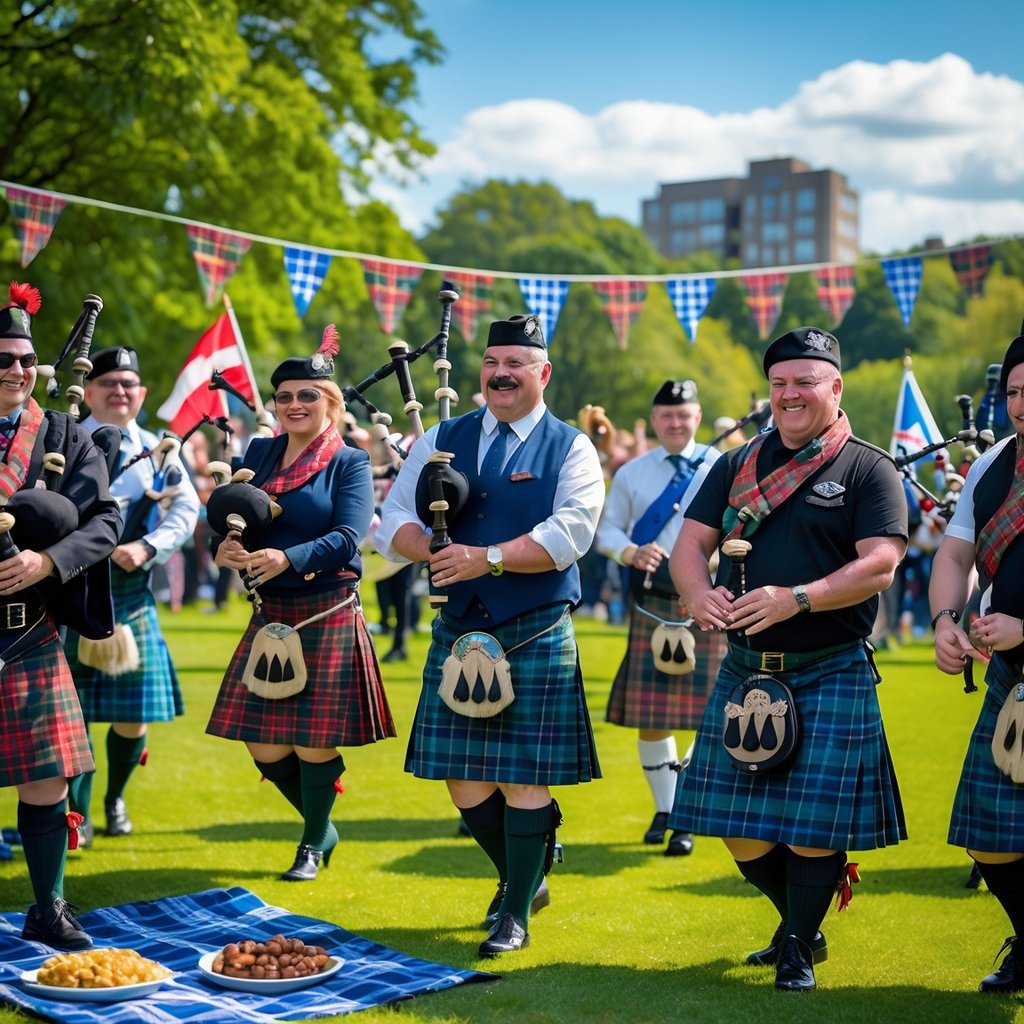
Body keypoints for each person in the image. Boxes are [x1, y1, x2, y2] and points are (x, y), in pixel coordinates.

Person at [668, 326, 908, 992]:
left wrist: (796, 598)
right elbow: (690, 546)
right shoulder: (737, 464)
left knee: (813, 825)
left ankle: (797, 945)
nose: (790, 395)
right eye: (779, 384)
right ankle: (800, 922)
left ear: (835, 387)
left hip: (830, 663)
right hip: (747, 668)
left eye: (805, 382)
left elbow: (881, 564)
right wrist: (697, 596)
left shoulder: (867, 467)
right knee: (734, 827)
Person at [375, 313, 605, 958]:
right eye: (492, 363)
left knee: (525, 777)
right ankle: (523, 874)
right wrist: (431, 550)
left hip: (533, 627)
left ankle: (515, 909)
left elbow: (571, 534)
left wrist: (487, 558)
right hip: (459, 628)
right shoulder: (443, 438)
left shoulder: (570, 445)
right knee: (464, 780)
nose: (501, 374)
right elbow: (388, 522)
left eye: (516, 364)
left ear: (542, 373)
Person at [207, 326, 395, 881]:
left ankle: (312, 841)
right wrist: (224, 545)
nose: (294, 404)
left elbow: (348, 535)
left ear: (331, 403)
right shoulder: (259, 453)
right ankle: (323, 824)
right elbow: (228, 513)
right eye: (284, 396)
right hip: (270, 612)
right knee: (262, 743)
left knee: (314, 742)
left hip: (327, 606)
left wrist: (289, 558)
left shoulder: (350, 462)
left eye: (307, 395)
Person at [0, 282, 120, 948]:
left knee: (45, 775)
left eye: (25, 358)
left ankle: (47, 908)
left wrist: (47, 564)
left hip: (26, 628)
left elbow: (105, 520)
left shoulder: (63, 433)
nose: (18, 370)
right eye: (4, 359)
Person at [64, 346, 200, 842]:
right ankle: (75, 817)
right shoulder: (61, 442)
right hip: (68, 595)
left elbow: (186, 511)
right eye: (109, 383)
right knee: (67, 714)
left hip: (129, 592)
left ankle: (115, 797)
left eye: (128, 384)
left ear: (141, 394)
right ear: (90, 391)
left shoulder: (162, 452)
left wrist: (148, 547)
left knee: (133, 713)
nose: (119, 392)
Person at [929, 322, 1024, 993]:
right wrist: (945, 618)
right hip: (1012, 680)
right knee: (989, 834)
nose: (1022, 402)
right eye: (1016, 390)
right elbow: (958, 554)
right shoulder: (996, 465)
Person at [596, 379, 724, 855]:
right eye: (667, 416)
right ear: (655, 421)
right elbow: (604, 526)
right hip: (651, 598)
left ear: (698, 416)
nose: (676, 423)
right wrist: (628, 550)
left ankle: (685, 811)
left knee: (704, 714)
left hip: (707, 597)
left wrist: (715, 561)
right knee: (655, 717)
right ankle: (666, 809)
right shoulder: (633, 473)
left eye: (684, 414)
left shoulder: (719, 467)